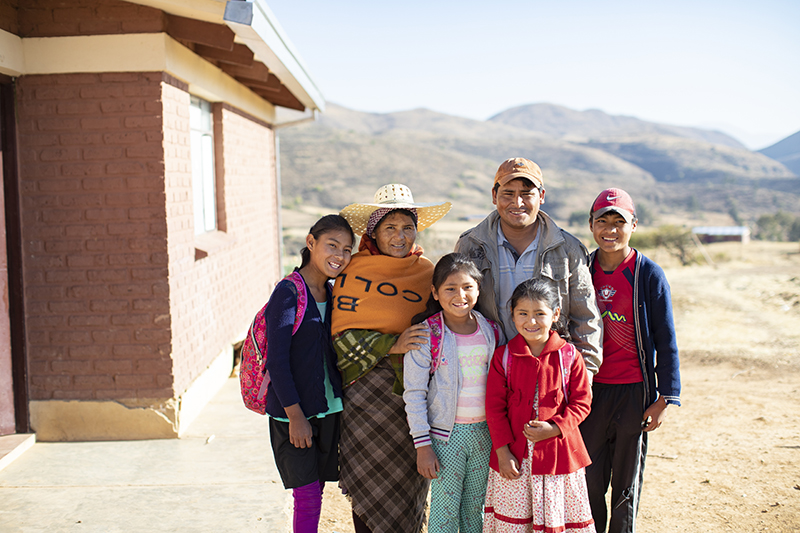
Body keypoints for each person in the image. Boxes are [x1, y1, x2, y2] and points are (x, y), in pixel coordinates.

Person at [333, 184, 452, 533]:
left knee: (410, 487)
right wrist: (389, 344)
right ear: (373, 232)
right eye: (390, 228)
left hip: (413, 401)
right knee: (368, 489)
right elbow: (339, 337)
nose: (399, 236)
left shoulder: (427, 272)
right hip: (364, 402)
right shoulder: (353, 272)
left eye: (407, 227)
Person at [579, 188, 681, 533]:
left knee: (626, 484)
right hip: (589, 393)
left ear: (633, 224)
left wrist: (664, 398)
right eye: (602, 221)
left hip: (633, 393)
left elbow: (666, 341)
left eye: (619, 222)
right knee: (588, 480)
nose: (611, 229)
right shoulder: (582, 271)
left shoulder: (647, 274)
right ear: (591, 225)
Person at [454, 157, 603, 376]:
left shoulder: (568, 249)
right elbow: (457, 311)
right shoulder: (470, 244)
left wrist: (584, 376)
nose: (518, 202)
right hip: (487, 373)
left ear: (541, 196)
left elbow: (585, 318)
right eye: (508, 193)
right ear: (494, 196)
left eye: (526, 193)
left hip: (550, 376)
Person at [264, 214, 355, 533]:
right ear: (311, 242)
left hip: (329, 409)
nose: (339, 255)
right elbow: (277, 361)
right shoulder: (288, 293)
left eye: (346, 249)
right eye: (332, 245)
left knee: (316, 489)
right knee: (306, 494)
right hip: (294, 414)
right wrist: (295, 416)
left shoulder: (334, 293)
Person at [403, 253, 504, 533]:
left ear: (478, 289)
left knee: (476, 510)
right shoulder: (427, 335)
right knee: (445, 512)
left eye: (467, 287)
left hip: (484, 434)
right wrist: (423, 446)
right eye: (450, 288)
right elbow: (414, 393)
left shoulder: (490, 330)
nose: (460, 295)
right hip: (445, 437)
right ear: (435, 292)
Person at [483, 279, 595, 533]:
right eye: (523, 313)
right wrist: (502, 452)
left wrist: (555, 428)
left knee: (557, 520)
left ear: (555, 314)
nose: (531, 322)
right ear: (512, 316)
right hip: (515, 459)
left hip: (559, 459)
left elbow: (582, 402)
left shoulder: (569, 356)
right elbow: (494, 408)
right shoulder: (504, 357)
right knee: (514, 523)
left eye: (539, 314)